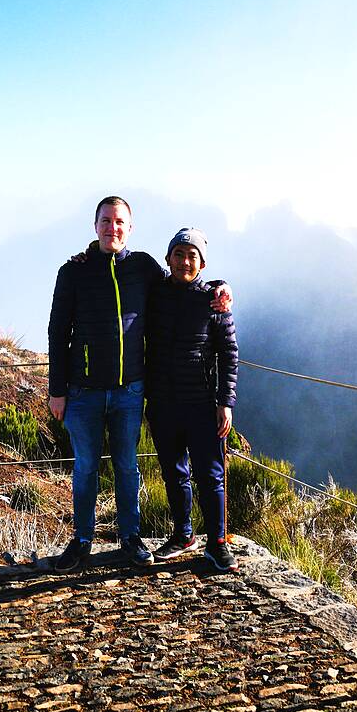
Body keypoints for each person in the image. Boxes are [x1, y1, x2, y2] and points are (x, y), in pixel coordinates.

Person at [47, 197, 229, 572]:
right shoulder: (73, 271)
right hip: (83, 391)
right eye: (106, 221)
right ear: (95, 225)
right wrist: (57, 390)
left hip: (130, 390)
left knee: (128, 468)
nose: (112, 228)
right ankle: (82, 540)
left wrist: (219, 288)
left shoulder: (143, 267)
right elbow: (57, 332)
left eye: (119, 222)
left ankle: (130, 538)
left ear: (129, 228)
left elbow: (183, 281)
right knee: (86, 468)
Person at [145, 228, 240, 572]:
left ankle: (218, 543)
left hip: (202, 404)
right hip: (162, 403)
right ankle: (183, 535)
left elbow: (229, 354)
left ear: (202, 264)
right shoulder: (154, 292)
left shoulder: (213, 301)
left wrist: (225, 402)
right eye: (179, 254)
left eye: (192, 256)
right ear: (168, 258)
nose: (185, 262)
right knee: (174, 473)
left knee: (210, 475)